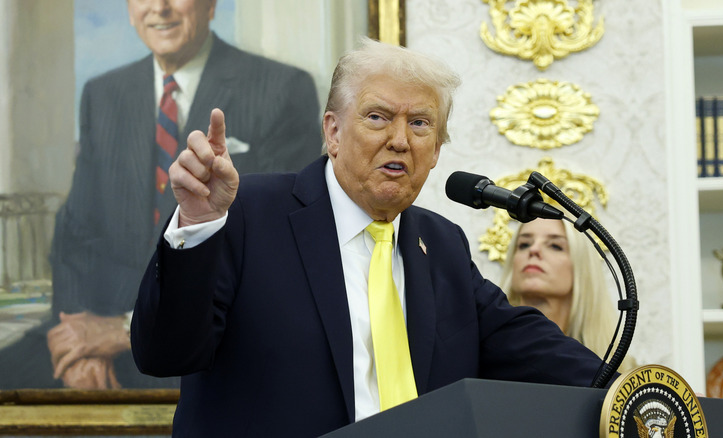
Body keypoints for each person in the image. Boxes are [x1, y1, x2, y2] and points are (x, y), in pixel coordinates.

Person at [131, 38, 613, 437]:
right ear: (333, 132)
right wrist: (197, 224)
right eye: (378, 117)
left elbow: (526, 345)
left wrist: (632, 392)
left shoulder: (441, 244)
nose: (400, 140)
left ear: (437, 150)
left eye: (420, 123)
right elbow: (164, 353)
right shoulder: (247, 214)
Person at [0, 0, 321, 390]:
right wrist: (77, 341)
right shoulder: (103, 94)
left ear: (211, 5)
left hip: (210, 331)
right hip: (94, 325)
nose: (160, 8)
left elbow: (278, 248)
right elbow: (74, 237)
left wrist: (122, 330)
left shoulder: (282, 89)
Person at [500, 217, 638, 373]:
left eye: (555, 246)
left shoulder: (623, 374)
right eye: (524, 244)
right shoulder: (482, 353)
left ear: (581, 266)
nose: (533, 250)